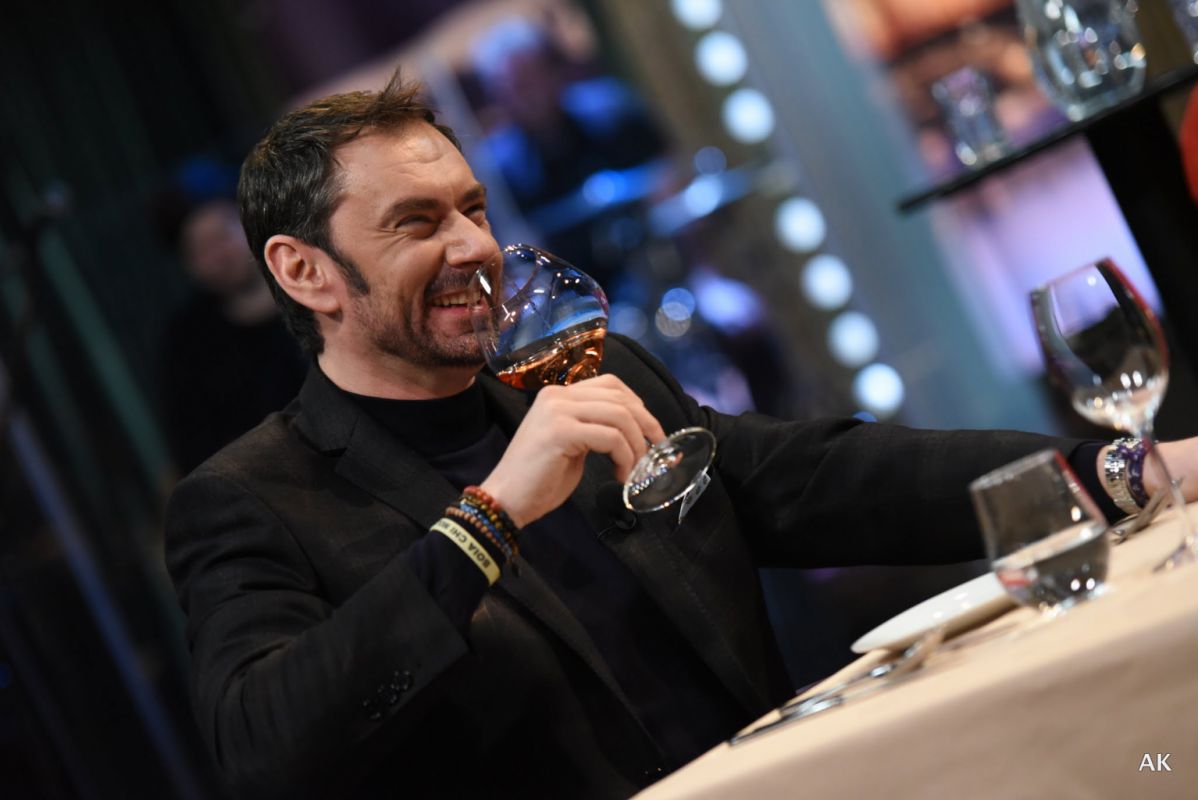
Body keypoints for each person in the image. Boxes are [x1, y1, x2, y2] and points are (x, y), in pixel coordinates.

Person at [164, 73, 1198, 800]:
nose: (474, 245)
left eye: (473, 208)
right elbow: (266, 748)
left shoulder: (586, 374)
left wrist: (1124, 467)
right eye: (417, 222)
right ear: (304, 271)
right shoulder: (253, 501)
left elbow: (822, 476)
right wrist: (485, 520)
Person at [159, 195, 307, 473]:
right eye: (202, 250)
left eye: (223, 236)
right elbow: (194, 447)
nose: (220, 255)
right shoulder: (190, 344)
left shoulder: (315, 284)